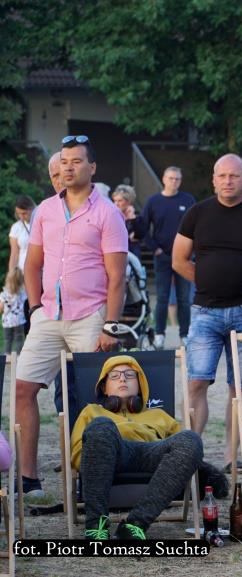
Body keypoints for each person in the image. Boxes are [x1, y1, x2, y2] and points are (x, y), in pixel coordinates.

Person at [16, 135, 127, 499]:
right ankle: (29, 479)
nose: (68, 168)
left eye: (76, 162)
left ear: (92, 168)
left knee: (92, 400)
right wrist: (35, 308)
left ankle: (90, 480)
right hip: (48, 314)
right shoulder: (46, 210)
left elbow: (117, 277)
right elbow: (32, 265)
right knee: (23, 388)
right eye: (63, 162)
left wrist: (110, 326)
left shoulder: (107, 212)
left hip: (90, 316)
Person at [173, 153, 242, 469]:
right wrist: (208, 281)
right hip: (205, 312)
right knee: (196, 382)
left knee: (241, 387)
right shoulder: (197, 213)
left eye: (234, 175)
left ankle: (234, 458)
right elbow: (179, 259)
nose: (228, 181)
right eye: (222, 175)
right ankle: (190, 455)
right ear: (214, 179)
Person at [70, 355, 227, 540]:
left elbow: (184, 451)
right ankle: (96, 527)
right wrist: (100, 453)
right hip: (112, 452)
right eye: (115, 376)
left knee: (190, 438)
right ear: (104, 387)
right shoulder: (92, 412)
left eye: (129, 375)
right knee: (101, 425)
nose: (122, 379)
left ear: (140, 384)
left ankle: (135, 526)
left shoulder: (158, 414)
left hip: (151, 454)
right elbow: (79, 454)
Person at [140, 166, 196, 350]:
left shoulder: (188, 200)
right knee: (162, 298)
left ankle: (185, 335)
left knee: (184, 298)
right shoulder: (153, 201)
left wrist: (193, 248)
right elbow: (142, 227)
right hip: (162, 256)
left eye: (177, 179)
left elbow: (197, 225)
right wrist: (154, 248)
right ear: (164, 179)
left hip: (184, 256)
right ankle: (159, 335)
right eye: (171, 178)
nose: (174, 181)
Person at [111, 184, 146, 257]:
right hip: (116, 254)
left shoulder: (136, 218)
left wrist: (132, 218)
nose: (116, 204)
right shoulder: (112, 216)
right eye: (115, 200)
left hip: (132, 255)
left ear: (128, 202)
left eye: (120, 201)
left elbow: (140, 235)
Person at [0, 268, 26, 354]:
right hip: (19, 321)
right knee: (19, 339)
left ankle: (7, 356)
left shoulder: (4, 295)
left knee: (8, 340)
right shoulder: (23, 293)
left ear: (8, 280)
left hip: (7, 322)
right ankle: (18, 357)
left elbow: (1, 308)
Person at [8, 195, 35, 274]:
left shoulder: (43, 223)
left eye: (24, 213)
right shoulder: (16, 227)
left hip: (42, 271)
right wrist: (11, 274)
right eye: (18, 214)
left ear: (32, 209)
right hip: (22, 272)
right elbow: (14, 254)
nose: (21, 217)